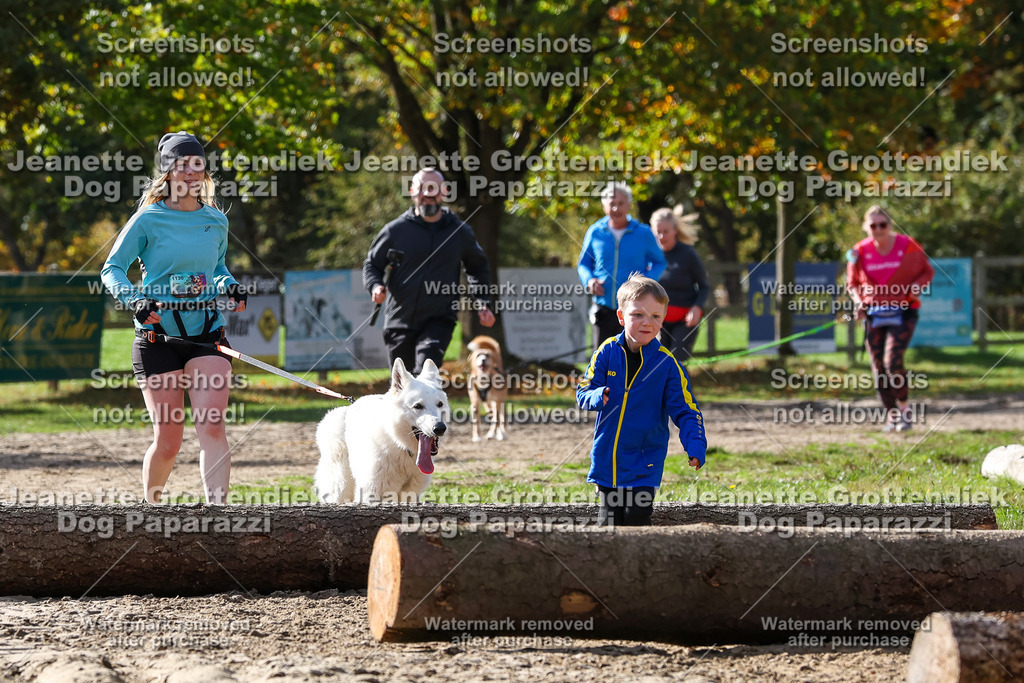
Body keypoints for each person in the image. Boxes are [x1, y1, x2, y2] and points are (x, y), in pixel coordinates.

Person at [101, 131, 247, 504]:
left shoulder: (215, 220)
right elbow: (111, 269)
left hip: (207, 337)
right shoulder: (148, 219)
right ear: (168, 172)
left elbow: (216, 268)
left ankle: (218, 514)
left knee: (212, 427)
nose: (192, 172)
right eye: (183, 165)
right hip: (158, 340)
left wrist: (229, 285)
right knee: (169, 440)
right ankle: (151, 509)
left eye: (198, 164)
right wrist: (135, 300)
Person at [576, 274, 707, 526]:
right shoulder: (606, 352)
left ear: (663, 319)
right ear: (621, 316)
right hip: (608, 460)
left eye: (655, 316)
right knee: (609, 524)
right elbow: (583, 391)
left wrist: (695, 444)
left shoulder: (668, 365)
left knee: (637, 518)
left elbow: (687, 411)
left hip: (646, 461)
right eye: (638, 314)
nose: (647, 322)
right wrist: (597, 396)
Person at [364, 168, 495, 375]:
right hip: (399, 320)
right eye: (422, 188)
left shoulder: (459, 232)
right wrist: (375, 286)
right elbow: (372, 264)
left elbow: (477, 267)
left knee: (425, 375)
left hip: (439, 320)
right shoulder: (395, 231)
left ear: (445, 191)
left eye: (433, 188)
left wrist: (483, 301)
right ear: (412, 192)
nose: (427, 194)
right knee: (402, 385)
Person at [846, 205, 934, 432]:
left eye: (882, 224)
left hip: (903, 311)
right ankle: (892, 415)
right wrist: (859, 302)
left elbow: (927, 272)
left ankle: (904, 409)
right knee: (878, 368)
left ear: (890, 225)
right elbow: (852, 283)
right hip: (873, 313)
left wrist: (917, 286)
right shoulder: (859, 251)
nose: (878, 229)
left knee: (892, 361)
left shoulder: (908, 246)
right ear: (866, 227)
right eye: (873, 225)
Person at [577, 182, 666, 350]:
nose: (616, 208)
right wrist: (590, 281)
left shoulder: (643, 233)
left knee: (633, 356)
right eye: (612, 204)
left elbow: (660, 262)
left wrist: (645, 282)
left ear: (629, 205)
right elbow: (583, 264)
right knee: (602, 357)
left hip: (635, 309)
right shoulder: (595, 232)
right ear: (604, 206)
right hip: (604, 306)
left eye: (620, 203)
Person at [651, 208, 710, 361]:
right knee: (658, 362)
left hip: (685, 319)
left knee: (676, 360)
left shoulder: (688, 254)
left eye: (666, 231)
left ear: (675, 230)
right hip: (659, 320)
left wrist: (697, 308)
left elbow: (704, 286)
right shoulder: (651, 255)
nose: (662, 236)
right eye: (658, 232)